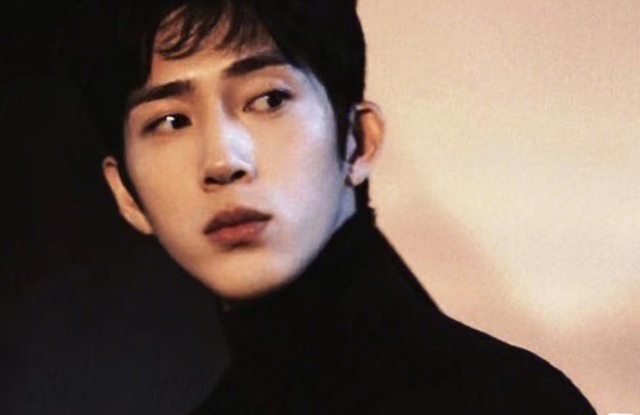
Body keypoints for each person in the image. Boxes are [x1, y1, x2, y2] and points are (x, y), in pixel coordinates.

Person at [2, 0, 597, 413]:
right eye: (171, 120)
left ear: (357, 140)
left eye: (268, 99)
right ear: (126, 195)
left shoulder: (507, 400)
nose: (223, 160)